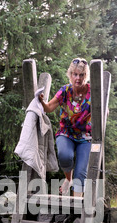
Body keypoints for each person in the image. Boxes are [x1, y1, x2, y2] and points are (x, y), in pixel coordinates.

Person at [39, 58, 91, 197]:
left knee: (81, 172)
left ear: (86, 76)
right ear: (70, 75)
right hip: (66, 133)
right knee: (65, 156)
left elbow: (102, 109)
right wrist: (41, 101)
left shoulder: (92, 92)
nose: (78, 78)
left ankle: (76, 208)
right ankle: (68, 179)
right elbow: (49, 107)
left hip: (86, 136)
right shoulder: (65, 91)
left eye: (81, 75)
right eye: (75, 74)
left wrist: (104, 111)